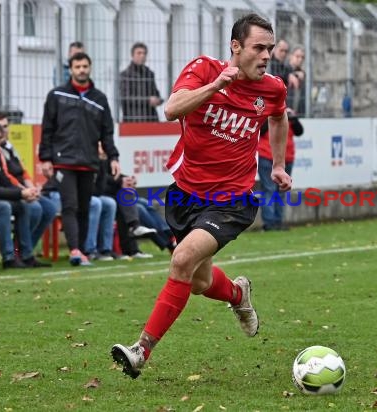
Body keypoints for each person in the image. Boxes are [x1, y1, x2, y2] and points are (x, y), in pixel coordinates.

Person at [111, 13, 291, 379]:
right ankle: (238, 296)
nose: (266, 56)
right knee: (198, 281)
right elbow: (172, 108)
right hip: (186, 194)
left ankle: (140, 350)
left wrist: (277, 165)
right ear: (236, 47)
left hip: (232, 200)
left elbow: (278, 117)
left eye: (269, 49)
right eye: (259, 48)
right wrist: (215, 87)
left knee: (181, 259)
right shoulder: (204, 70)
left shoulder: (272, 88)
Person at [39, 51, 121, 266]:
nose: (82, 70)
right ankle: (75, 250)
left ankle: (83, 249)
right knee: (70, 205)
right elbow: (47, 128)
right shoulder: (56, 95)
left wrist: (113, 157)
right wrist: (45, 158)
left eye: (85, 66)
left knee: (85, 207)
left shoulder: (100, 99)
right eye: (77, 67)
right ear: (71, 69)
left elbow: (107, 133)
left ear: (90, 68)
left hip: (89, 162)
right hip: (62, 160)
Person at [0, 122, 48, 269]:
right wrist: (20, 193)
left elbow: (4, 181)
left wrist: (25, 194)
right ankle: (9, 258)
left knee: (24, 206)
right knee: (4, 207)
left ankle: (25, 255)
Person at [0, 111, 57, 249]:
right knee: (35, 208)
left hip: (23, 189)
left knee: (50, 208)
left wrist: (31, 187)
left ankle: (27, 249)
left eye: (5, 126)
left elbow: (23, 171)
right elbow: (6, 176)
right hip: (10, 191)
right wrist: (24, 190)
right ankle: (19, 250)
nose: (3, 130)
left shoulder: (10, 147)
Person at [258, 107, 303, 231]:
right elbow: (259, 131)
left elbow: (299, 131)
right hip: (267, 156)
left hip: (287, 158)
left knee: (282, 190)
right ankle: (269, 223)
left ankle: (278, 221)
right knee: (269, 190)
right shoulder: (263, 109)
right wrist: (272, 118)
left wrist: (293, 118)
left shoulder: (288, 111)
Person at [120, 42, 164, 122]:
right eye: (139, 53)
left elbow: (155, 93)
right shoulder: (125, 75)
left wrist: (158, 100)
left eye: (144, 53)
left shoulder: (149, 73)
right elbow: (126, 98)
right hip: (133, 119)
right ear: (132, 55)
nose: (142, 56)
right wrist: (148, 100)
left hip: (150, 118)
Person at [286, 45, 306, 117]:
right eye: (297, 56)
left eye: (302, 57)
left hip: (298, 112)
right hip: (285, 110)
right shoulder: (284, 69)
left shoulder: (302, 74)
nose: (300, 59)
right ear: (291, 56)